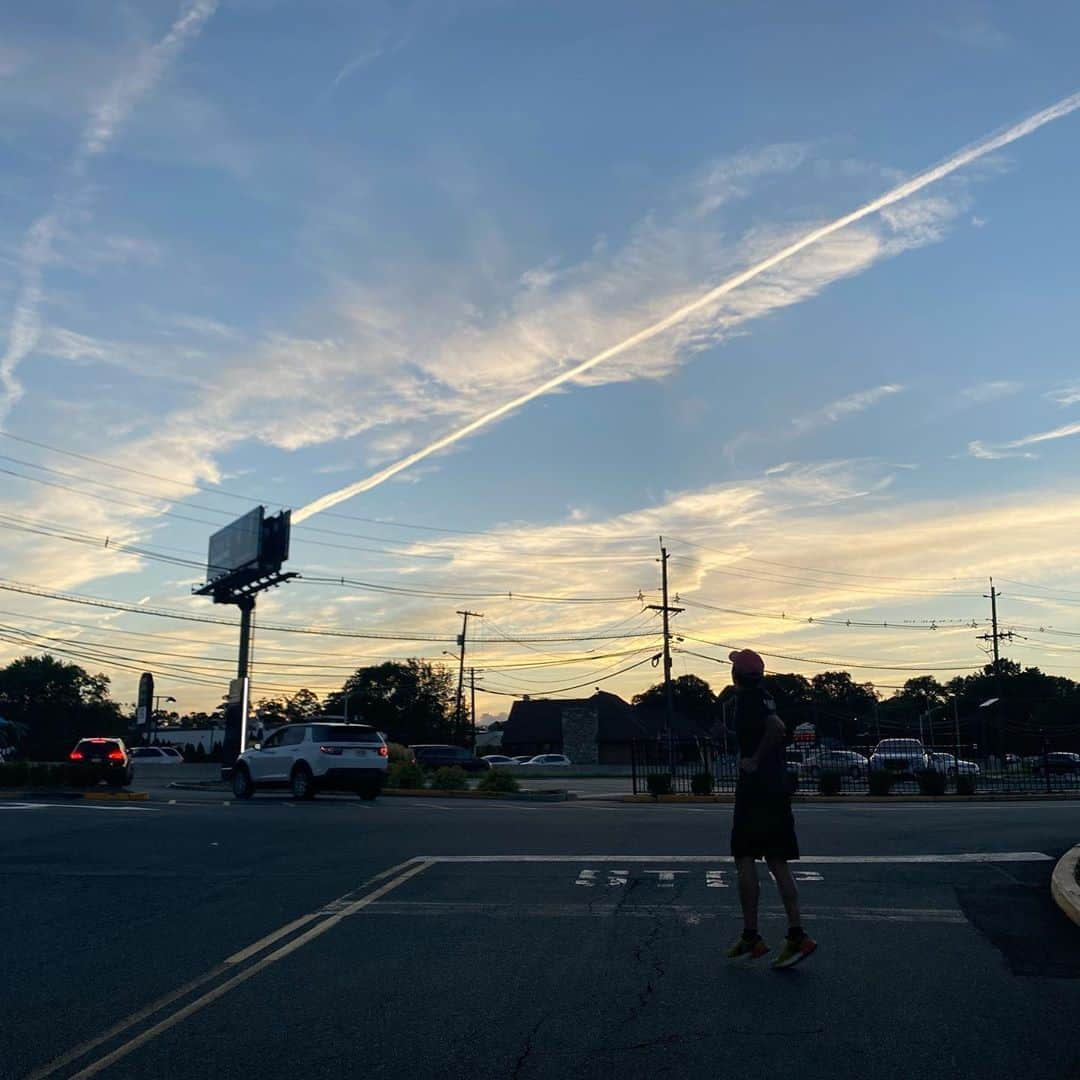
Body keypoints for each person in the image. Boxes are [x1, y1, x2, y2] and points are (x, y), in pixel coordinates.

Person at [723, 648, 817, 969]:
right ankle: (796, 935)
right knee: (777, 861)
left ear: (736, 675)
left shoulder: (749, 700)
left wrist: (753, 760)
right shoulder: (764, 696)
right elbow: (776, 727)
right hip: (776, 790)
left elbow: (776, 728)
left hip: (756, 791)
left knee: (745, 858)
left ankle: (752, 935)